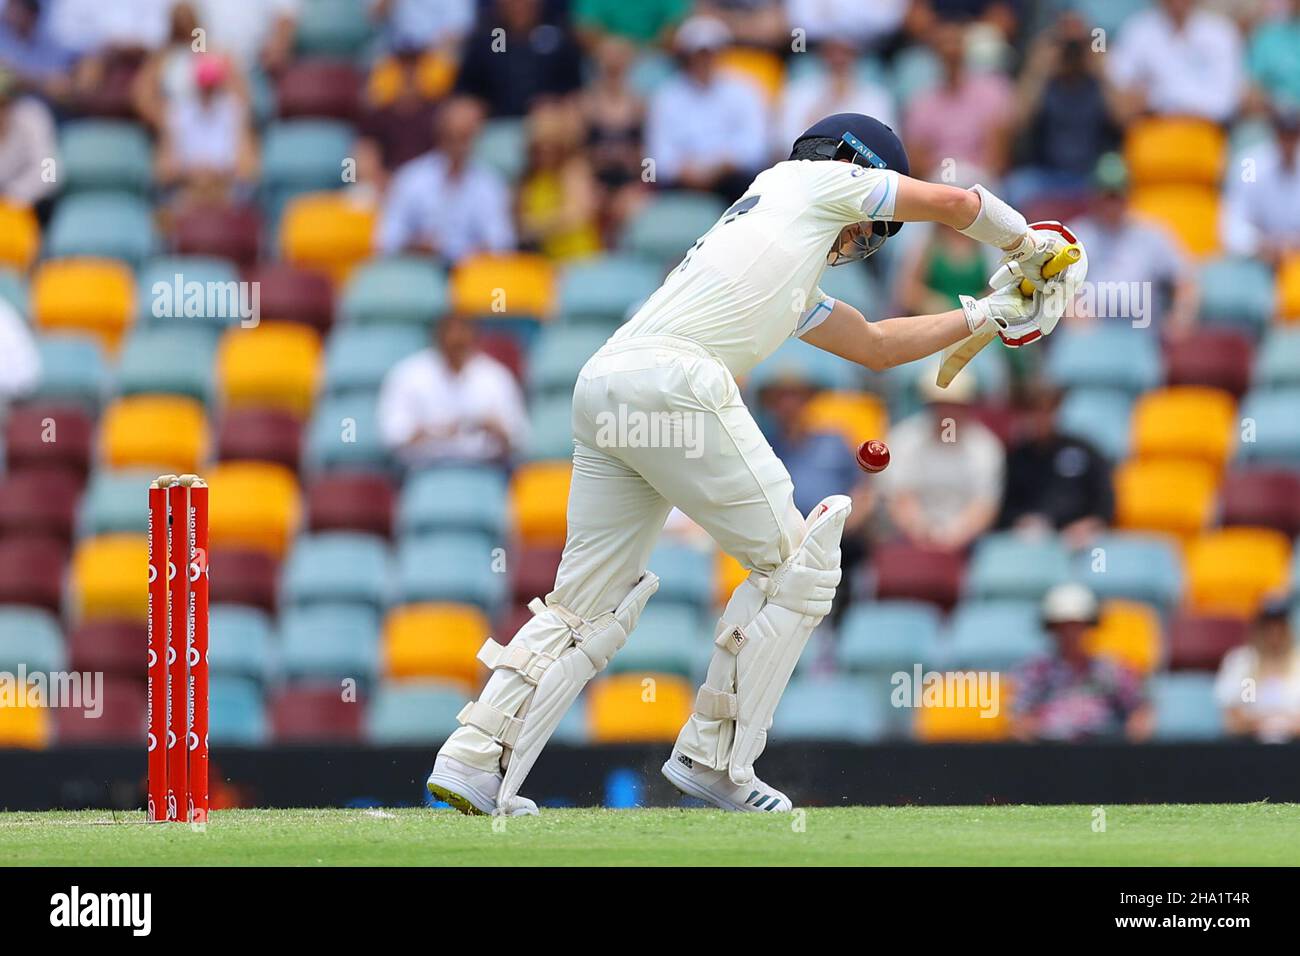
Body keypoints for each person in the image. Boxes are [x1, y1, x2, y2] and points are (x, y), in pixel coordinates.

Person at [427, 110, 1088, 815]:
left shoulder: (782, 231)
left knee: (586, 605)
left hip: (608, 386)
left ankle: (474, 761)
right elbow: (957, 203)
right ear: (856, 163)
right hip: (676, 381)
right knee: (802, 568)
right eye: (876, 226)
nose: (867, 242)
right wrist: (1030, 241)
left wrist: (985, 313)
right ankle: (716, 761)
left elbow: (876, 346)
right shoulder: (819, 180)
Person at [1069, 152, 1199, 336]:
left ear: (1129, 195)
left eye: (1117, 195)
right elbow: (1059, 287)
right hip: (1091, 332)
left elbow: (1186, 280)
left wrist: (1179, 319)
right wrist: (1077, 321)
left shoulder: (1152, 235)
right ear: (1094, 196)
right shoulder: (1077, 235)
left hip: (1141, 333)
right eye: (1107, 195)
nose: (1112, 203)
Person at [377, 312, 529, 468]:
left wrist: (494, 428)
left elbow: (519, 438)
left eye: (461, 343)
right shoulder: (407, 374)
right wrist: (437, 432)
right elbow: (393, 436)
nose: (455, 345)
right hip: (422, 470)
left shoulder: (495, 376)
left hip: (485, 469)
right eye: (450, 341)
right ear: (437, 339)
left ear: (473, 340)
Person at [375, 97, 515, 262]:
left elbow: (502, 243)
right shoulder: (411, 177)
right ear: (440, 134)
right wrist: (415, 246)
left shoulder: (490, 183)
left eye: (464, 136)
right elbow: (386, 239)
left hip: (470, 272)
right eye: (451, 136)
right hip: (421, 270)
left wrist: (476, 252)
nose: (458, 145)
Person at [881, 368, 1004, 553]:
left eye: (955, 405)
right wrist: (922, 531)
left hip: (968, 545)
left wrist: (953, 536)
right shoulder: (903, 439)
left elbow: (984, 505)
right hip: (907, 540)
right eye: (941, 405)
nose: (948, 412)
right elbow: (899, 496)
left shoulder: (985, 447)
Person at [645, 15, 766, 199]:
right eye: (699, 54)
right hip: (681, 183)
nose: (705, 60)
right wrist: (684, 171)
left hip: (732, 179)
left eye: (710, 53)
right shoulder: (667, 96)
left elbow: (755, 146)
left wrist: (723, 165)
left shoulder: (744, 90)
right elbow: (658, 156)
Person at [1013, 583, 1152, 742]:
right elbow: (1020, 720)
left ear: (1089, 626)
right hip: (1050, 756)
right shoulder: (1036, 671)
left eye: (1077, 625)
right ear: (1052, 628)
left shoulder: (1111, 671)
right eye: (1063, 626)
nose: (1071, 633)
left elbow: (1141, 713)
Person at [998, 381, 1113, 549]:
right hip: (1030, 540)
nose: (1041, 418)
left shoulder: (1084, 451)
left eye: (1047, 411)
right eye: (1034, 411)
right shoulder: (1016, 458)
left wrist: (1089, 524)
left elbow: (1104, 500)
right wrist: (1021, 521)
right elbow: (1004, 508)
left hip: (1079, 538)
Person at [903, 19, 1015, 178]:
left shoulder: (993, 91)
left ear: (966, 48)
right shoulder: (922, 102)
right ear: (935, 53)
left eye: (956, 43)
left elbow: (997, 157)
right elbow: (917, 161)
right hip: (938, 180)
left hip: (982, 180)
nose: (950, 50)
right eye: (944, 44)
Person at [1108, 0, 1243, 124]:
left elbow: (1225, 101)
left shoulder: (1220, 32)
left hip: (1210, 131)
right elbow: (1120, 90)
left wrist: (1159, 97)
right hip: (1151, 129)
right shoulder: (1137, 30)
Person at [453, 0, 583, 118]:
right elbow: (466, 91)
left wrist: (555, 105)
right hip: (492, 121)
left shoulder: (557, 35)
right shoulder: (488, 38)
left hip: (549, 120)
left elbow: (575, 90)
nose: (519, 4)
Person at [1215, 595, 1300, 743]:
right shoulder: (1243, 663)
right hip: (1251, 747)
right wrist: (1261, 724)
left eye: (1280, 625)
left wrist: (1287, 726)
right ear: (1258, 628)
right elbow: (1233, 720)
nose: (1274, 633)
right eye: (1268, 626)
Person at [1222, 106, 1300, 263]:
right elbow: (1235, 224)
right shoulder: (1249, 164)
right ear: (1275, 134)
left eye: (1292, 136)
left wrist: (1292, 245)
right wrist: (1260, 244)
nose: (1288, 143)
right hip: (1257, 257)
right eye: (1283, 135)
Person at [0, 65, 57, 216]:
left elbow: (49, 173)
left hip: (29, 206)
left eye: (3, 103)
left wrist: (13, 195)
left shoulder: (32, 116)